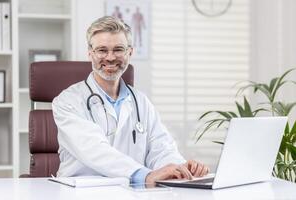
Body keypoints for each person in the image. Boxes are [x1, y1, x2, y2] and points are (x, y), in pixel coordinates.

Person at [52, 16, 209, 185]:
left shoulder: (141, 102)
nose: (110, 57)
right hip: (82, 191)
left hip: (131, 190)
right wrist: (145, 175)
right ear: (90, 53)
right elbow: (94, 150)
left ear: (130, 52)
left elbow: (161, 148)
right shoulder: (67, 101)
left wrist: (180, 169)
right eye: (102, 50)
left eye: (118, 49)